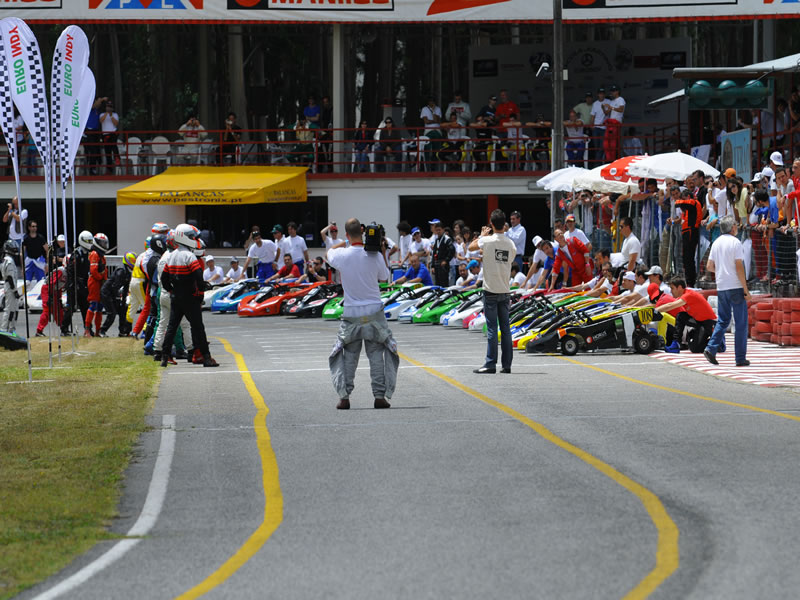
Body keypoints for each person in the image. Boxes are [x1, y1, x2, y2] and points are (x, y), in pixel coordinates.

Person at [326, 217, 398, 409]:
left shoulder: (341, 254)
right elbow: (384, 277)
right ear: (363, 232)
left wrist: (346, 241)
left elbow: (329, 252)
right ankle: (380, 396)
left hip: (351, 313)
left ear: (348, 234)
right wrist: (380, 249)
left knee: (349, 356)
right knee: (376, 355)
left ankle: (344, 397)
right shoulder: (373, 255)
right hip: (374, 311)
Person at [160, 224, 219, 368]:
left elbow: (164, 278)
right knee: (198, 327)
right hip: (190, 297)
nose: (194, 239)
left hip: (176, 297)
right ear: (184, 238)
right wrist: (200, 291)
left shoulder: (172, 255)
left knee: (172, 326)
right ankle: (206, 358)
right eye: (192, 237)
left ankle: (164, 357)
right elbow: (198, 275)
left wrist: (171, 290)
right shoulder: (189, 255)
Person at [470, 209, 515, 373]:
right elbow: (508, 259)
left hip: (490, 290)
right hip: (504, 289)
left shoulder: (486, 241)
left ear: (491, 223)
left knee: (491, 329)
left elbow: (471, 247)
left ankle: (490, 363)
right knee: (505, 329)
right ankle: (507, 365)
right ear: (504, 224)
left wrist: (482, 235)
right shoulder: (510, 243)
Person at [704, 215, 751, 367]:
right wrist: (745, 289)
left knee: (723, 320)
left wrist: (722, 271)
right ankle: (740, 357)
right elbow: (739, 267)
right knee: (741, 323)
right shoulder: (735, 242)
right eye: (736, 225)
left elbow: (709, 266)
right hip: (735, 285)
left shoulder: (716, 243)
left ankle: (711, 347)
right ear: (732, 228)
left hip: (722, 285)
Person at [656, 277, 717, 353]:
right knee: (681, 316)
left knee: (695, 349)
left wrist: (654, 310)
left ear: (680, 287)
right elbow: (670, 305)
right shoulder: (683, 295)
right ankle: (676, 343)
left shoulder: (688, 295)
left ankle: (717, 343)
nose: (671, 292)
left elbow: (670, 305)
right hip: (698, 321)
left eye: (672, 288)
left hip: (708, 323)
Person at [61, 230, 92, 336]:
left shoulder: (88, 254)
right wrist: (72, 284)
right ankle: (64, 329)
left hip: (83, 284)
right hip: (74, 285)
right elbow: (70, 271)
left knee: (85, 307)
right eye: (88, 241)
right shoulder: (76, 254)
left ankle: (88, 329)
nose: (90, 243)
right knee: (70, 308)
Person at [99, 252, 135, 337]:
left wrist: (123, 300)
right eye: (132, 260)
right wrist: (117, 297)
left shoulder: (128, 272)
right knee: (112, 313)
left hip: (114, 293)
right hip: (107, 292)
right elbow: (114, 286)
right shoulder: (121, 271)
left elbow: (126, 287)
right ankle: (102, 331)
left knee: (123, 310)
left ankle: (123, 331)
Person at [676, 184, 703, 286]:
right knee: (686, 257)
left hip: (692, 230)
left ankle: (691, 282)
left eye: (684, 198)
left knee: (689, 257)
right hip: (686, 232)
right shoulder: (687, 207)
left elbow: (679, 202)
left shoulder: (694, 202)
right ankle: (689, 281)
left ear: (687, 197)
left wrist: (681, 201)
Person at [85, 233, 109, 337]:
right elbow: (93, 271)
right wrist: (101, 277)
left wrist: (105, 280)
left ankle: (98, 331)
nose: (104, 245)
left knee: (100, 307)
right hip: (94, 283)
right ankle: (87, 330)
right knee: (93, 305)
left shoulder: (101, 255)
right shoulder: (94, 254)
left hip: (100, 283)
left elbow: (105, 270)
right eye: (102, 243)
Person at [602, 85, 625, 161]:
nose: (612, 92)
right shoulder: (612, 101)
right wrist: (603, 108)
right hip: (610, 123)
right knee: (607, 143)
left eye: (614, 91)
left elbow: (621, 109)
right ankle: (609, 159)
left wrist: (611, 107)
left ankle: (614, 159)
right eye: (611, 91)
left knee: (614, 143)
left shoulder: (620, 99)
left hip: (616, 123)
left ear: (617, 91)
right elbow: (606, 112)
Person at [1, 240, 19, 333]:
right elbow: (10, 277)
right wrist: (15, 290)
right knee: (9, 309)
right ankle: (4, 329)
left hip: (10, 286)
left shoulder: (6, 259)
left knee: (14, 309)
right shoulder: (9, 261)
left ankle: (11, 329)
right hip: (10, 287)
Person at [430, 221, 455, 286]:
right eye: (436, 230)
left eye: (439, 230)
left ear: (443, 229)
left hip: (443, 265)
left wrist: (446, 260)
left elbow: (452, 250)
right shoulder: (437, 240)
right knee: (437, 283)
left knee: (444, 283)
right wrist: (432, 266)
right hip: (436, 264)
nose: (438, 232)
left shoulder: (447, 239)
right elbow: (434, 253)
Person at [99, 99, 120, 174]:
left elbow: (116, 123)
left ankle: (117, 159)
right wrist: (106, 113)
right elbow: (101, 121)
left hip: (113, 133)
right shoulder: (102, 114)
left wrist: (111, 116)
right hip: (105, 134)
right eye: (108, 106)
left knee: (114, 146)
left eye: (110, 107)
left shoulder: (115, 115)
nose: (109, 108)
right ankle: (109, 169)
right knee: (107, 152)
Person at [589, 87, 609, 164]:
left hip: (604, 128)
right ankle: (599, 163)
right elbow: (593, 116)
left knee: (602, 147)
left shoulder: (608, 102)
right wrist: (592, 125)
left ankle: (597, 164)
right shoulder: (595, 104)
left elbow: (607, 113)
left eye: (603, 93)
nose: (601, 95)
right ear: (598, 94)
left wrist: (604, 108)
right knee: (597, 147)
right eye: (600, 93)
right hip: (596, 128)